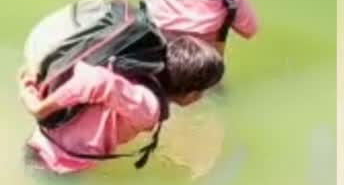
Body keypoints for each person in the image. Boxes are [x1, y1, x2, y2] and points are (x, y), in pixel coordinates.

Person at [19, 35, 225, 174]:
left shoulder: (139, 69)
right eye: (201, 91)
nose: (200, 97)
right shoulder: (148, 106)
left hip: (47, 138)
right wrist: (41, 108)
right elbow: (97, 81)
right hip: (61, 162)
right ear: (190, 91)